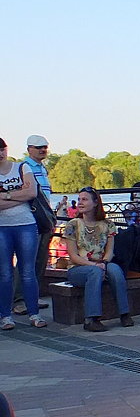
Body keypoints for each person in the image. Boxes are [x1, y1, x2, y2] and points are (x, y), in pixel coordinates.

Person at [63, 187, 133, 332]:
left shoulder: (107, 224)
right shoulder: (72, 225)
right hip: (78, 268)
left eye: (85, 199)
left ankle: (124, 313)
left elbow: (109, 250)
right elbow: (73, 256)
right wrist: (94, 265)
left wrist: (104, 263)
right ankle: (91, 319)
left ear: (95, 203)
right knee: (94, 272)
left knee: (115, 270)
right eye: (80, 199)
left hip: (101, 264)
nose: (80, 202)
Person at [0, 137, 48, 330]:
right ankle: (5, 315)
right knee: (4, 273)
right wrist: (20, 194)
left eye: (2, 149)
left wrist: (6, 195)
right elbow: (25, 194)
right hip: (2, 227)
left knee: (28, 272)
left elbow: (32, 192)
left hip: (26, 224)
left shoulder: (21, 168)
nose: (0, 153)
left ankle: (34, 313)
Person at [12, 135, 52, 316]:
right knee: (26, 260)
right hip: (30, 219)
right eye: (38, 147)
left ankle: (32, 296)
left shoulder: (42, 169)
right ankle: (19, 300)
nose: (42, 150)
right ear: (29, 149)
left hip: (44, 219)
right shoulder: (23, 168)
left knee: (40, 259)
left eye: (44, 147)